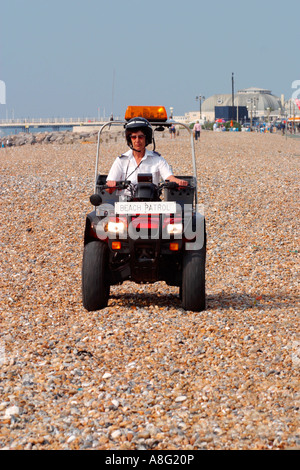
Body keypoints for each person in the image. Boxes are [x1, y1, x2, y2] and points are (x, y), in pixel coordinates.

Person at [106, 117, 188, 189]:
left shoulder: (157, 159)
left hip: (152, 202)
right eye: (134, 137)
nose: (137, 140)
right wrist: (111, 185)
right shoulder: (121, 160)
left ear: (147, 138)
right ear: (129, 139)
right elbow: (108, 187)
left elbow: (169, 177)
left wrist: (178, 181)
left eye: (141, 137)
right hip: (125, 203)